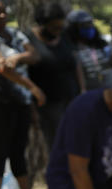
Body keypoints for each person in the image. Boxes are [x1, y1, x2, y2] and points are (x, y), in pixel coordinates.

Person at [0, 0, 44, 189]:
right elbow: (1, 66)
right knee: (0, 149)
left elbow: (34, 55)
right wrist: (33, 88)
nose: (1, 16)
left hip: (20, 101)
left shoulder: (15, 34)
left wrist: (18, 57)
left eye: (3, 12)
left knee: (19, 149)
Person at [27, 1, 78, 152]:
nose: (58, 31)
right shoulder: (29, 40)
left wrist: (81, 89)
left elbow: (75, 64)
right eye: (54, 27)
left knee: (76, 140)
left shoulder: (64, 37)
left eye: (61, 27)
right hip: (48, 104)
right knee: (58, 144)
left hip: (71, 97)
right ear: (42, 24)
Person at [67, 9, 112, 91]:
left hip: (110, 94)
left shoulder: (101, 45)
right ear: (73, 28)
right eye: (84, 25)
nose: (89, 27)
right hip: (89, 96)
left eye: (90, 23)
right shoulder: (71, 49)